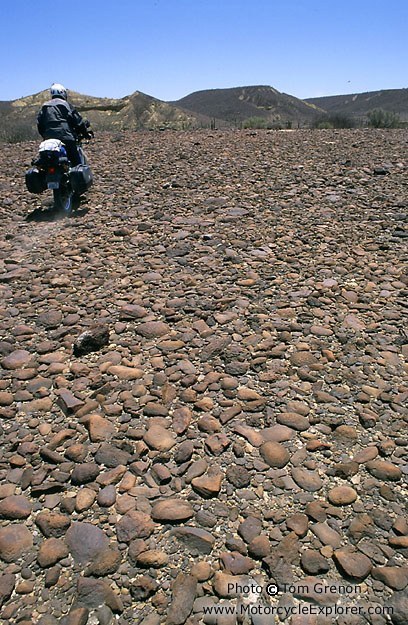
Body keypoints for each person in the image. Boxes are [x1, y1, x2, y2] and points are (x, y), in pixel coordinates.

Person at [37, 83, 93, 166]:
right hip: (66, 138)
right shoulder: (66, 105)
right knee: (77, 164)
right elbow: (78, 122)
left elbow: (40, 125)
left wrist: (46, 136)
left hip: (49, 140)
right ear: (63, 93)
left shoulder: (45, 107)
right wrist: (86, 134)